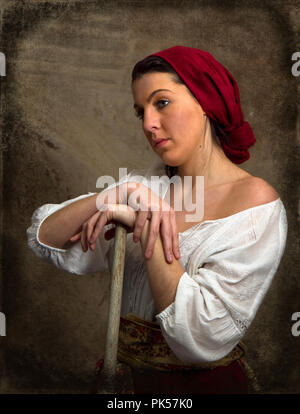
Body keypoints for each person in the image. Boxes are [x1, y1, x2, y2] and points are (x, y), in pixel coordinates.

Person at [26, 46, 288, 394]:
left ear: (206, 101)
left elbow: (198, 337)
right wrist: (123, 190)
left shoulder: (256, 203)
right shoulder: (145, 188)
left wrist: (145, 225)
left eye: (161, 102)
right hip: (124, 388)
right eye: (141, 112)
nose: (149, 124)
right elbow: (43, 237)